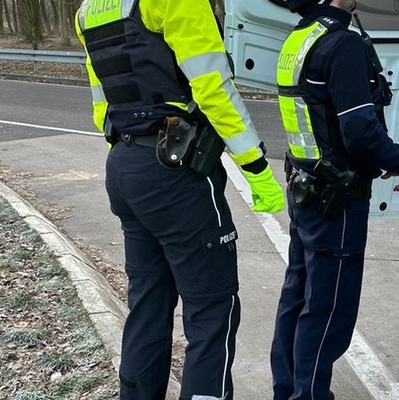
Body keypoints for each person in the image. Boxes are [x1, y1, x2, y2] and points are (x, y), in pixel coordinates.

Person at [74, 0, 286, 399]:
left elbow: (101, 97)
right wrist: (255, 165)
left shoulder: (91, 9)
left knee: (148, 305)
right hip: (173, 169)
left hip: (124, 163)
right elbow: (213, 87)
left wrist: (128, 156)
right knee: (212, 310)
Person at [270, 0, 399, 399]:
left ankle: (288, 391)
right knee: (328, 309)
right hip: (337, 197)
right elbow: (358, 128)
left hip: (306, 187)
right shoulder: (343, 44)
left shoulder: (298, 38)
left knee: (298, 297)